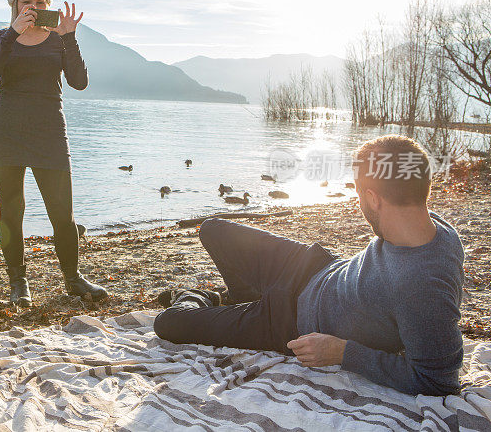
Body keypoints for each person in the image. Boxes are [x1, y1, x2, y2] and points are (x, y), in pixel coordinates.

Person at [154, 135, 465, 396]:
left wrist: (342, 352)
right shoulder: (438, 228)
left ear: (373, 198)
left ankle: (199, 296)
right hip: (311, 264)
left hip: (287, 320)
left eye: (358, 197)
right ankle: (242, 296)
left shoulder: (421, 287)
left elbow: (438, 380)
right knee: (212, 229)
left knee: (168, 323)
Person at [0, 0, 107, 307]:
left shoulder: (58, 40)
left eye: (39, 1)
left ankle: (73, 279)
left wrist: (69, 36)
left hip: (49, 132)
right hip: (6, 133)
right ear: (14, 4)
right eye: (26, 2)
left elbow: (79, 82)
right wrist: (12, 34)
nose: (33, 7)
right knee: (11, 212)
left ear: (48, 3)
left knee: (62, 214)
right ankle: (18, 283)